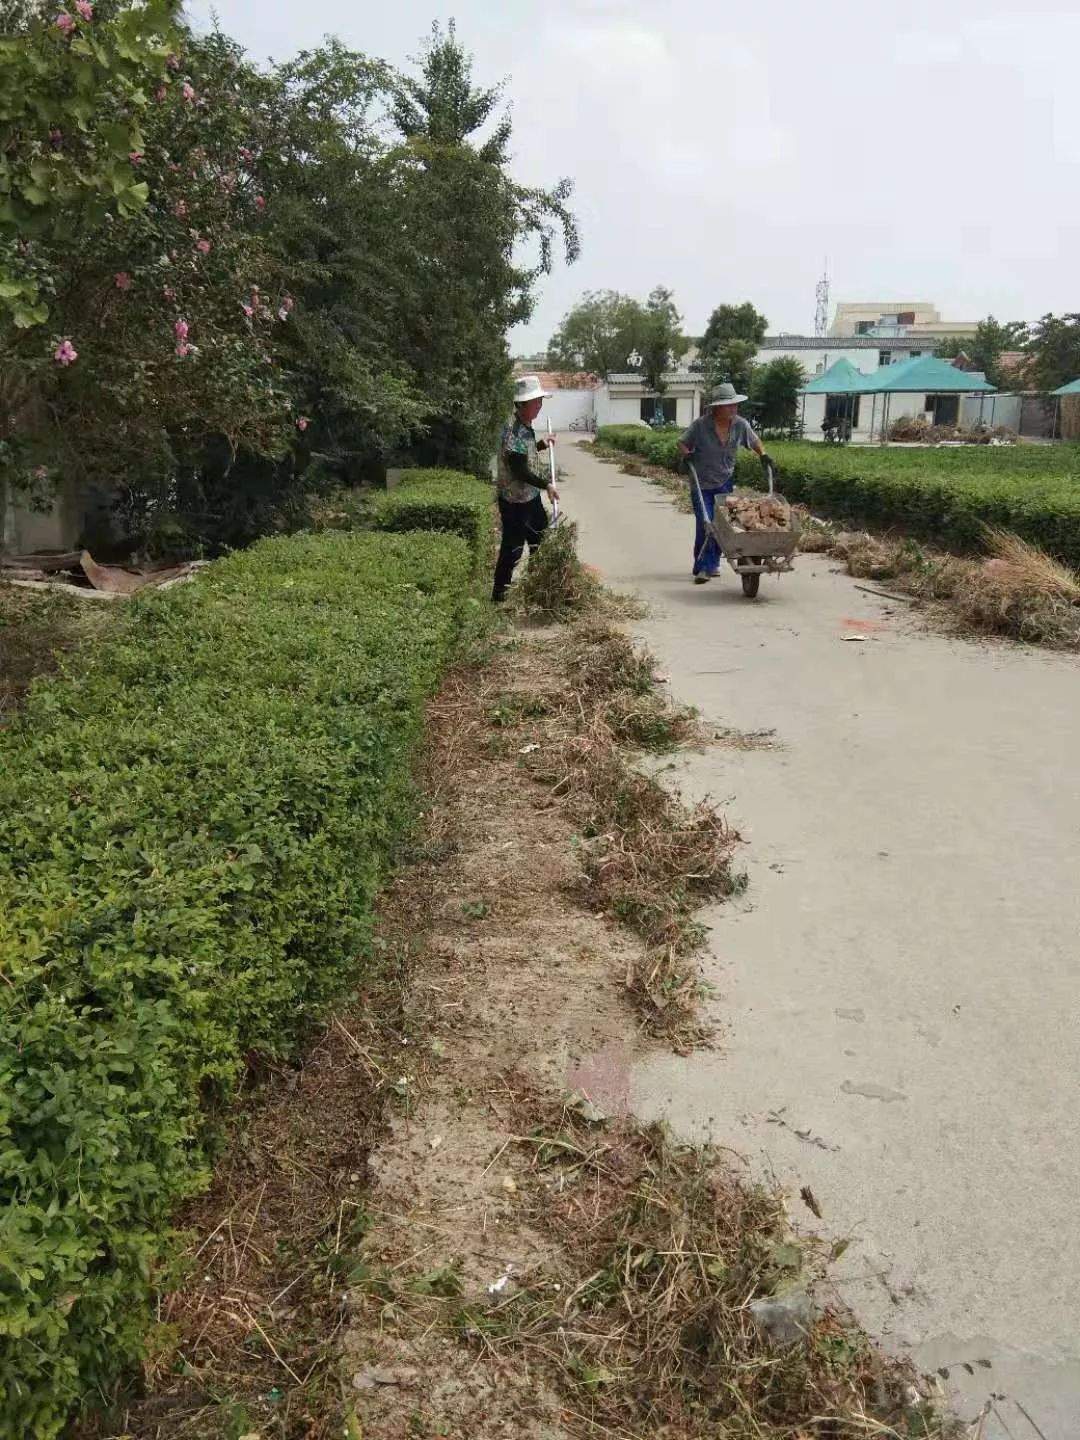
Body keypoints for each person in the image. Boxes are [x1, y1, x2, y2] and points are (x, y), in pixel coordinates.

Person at [677, 382, 772, 583]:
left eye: (734, 405)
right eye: (729, 405)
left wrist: (763, 455)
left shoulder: (740, 424)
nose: (733, 408)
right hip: (701, 483)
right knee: (706, 524)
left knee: (722, 525)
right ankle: (703, 567)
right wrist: (687, 455)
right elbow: (682, 442)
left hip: (724, 482)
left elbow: (754, 441)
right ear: (716, 407)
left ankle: (712, 564)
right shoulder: (700, 425)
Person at [492, 374, 559, 602]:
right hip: (514, 501)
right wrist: (547, 485)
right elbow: (520, 470)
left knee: (539, 539)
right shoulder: (514, 431)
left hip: (529, 497)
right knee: (513, 549)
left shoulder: (524, 425)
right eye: (535, 402)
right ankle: (499, 595)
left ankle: (537, 587)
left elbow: (525, 454)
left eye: (540, 401)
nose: (539, 406)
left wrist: (542, 443)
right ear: (521, 404)